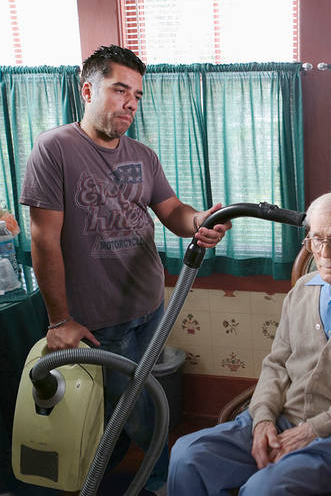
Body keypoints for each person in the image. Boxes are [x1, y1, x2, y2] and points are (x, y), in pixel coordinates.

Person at [20, 45, 231, 494]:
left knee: (132, 402)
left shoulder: (143, 155)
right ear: (88, 89)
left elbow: (173, 211)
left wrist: (201, 223)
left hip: (149, 306)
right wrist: (59, 319)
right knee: (134, 410)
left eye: (136, 94)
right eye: (120, 90)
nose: (131, 102)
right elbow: (43, 239)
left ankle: (124, 474)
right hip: (96, 322)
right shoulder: (54, 149)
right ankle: (159, 481)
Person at [167, 191, 331, 495]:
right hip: (284, 418)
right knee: (187, 454)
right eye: (316, 239)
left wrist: (313, 430)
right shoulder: (302, 289)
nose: (324, 252)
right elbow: (277, 364)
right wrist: (262, 420)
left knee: (265, 489)